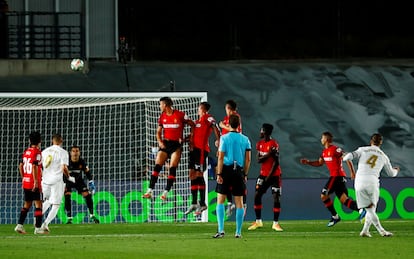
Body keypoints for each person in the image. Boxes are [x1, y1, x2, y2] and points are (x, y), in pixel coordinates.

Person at [300, 131, 364, 227]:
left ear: (326, 139)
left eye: (322, 138)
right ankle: (362, 210)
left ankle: (335, 216)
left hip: (337, 176)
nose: (321, 140)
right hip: (337, 178)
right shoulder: (324, 152)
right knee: (344, 200)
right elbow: (320, 163)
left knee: (323, 195)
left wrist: (352, 172)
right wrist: (308, 162)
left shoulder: (335, 149)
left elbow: (347, 158)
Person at [343, 133, 399, 237]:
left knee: (370, 209)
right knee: (371, 209)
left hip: (359, 182)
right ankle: (381, 231)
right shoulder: (383, 156)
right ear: (381, 142)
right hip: (372, 182)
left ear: (371, 141)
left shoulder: (362, 149)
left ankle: (365, 231)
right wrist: (396, 170)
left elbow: (347, 158)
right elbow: (391, 174)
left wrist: (346, 158)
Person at [143, 97, 195, 200]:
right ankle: (150, 191)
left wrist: (190, 138)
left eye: (160, 104)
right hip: (166, 144)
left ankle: (166, 192)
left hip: (177, 145)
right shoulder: (162, 116)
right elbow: (158, 132)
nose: (159, 106)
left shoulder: (180, 115)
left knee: (172, 168)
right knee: (157, 166)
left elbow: (193, 125)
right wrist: (160, 142)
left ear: (165, 105)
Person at [213, 114, 251, 238]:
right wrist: (244, 173)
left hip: (226, 170)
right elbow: (248, 160)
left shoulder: (224, 138)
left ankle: (221, 230)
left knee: (220, 200)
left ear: (229, 124)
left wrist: (219, 173)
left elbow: (221, 157)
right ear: (239, 125)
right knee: (239, 202)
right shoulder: (245, 139)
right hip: (238, 171)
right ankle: (238, 232)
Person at [184, 102, 220, 215]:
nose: (198, 110)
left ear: (203, 109)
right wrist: (186, 139)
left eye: (199, 108)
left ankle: (203, 203)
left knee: (199, 174)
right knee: (192, 174)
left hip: (201, 150)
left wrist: (219, 141)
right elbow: (195, 135)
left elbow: (215, 126)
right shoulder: (198, 122)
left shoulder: (207, 117)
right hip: (193, 151)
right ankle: (194, 203)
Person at [248, 123, 283, 232]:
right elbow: (259, 160)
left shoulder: (274, 144)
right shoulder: (260, 144)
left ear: (266, 132)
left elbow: (276, 163)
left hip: (275, 175)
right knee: (257, 196)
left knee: (276, 198)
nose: (260, 132)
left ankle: (275, 224)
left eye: (261, 130)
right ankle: (258, 221)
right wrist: (268, 154)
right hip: (263, 174)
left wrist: (269, 177)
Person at [14, 131, 47, 234]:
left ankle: (19, 225)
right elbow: (34, 166)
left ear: (29, 141)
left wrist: (24, 177)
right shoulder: (37, 152)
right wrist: (36, 182)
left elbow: (20, 165)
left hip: (26, 182)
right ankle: (37, 229)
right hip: (34, 182)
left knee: (27, 204)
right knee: (38, 204)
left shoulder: (26, 152)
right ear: (40, 141)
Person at [41, 134, 74, 232]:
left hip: (45, 180)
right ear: (61, 141)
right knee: (56, 205)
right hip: (56, 181)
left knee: (47, 200)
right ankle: (45, 224)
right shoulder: (63, 152)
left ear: (52, 141)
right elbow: (64, 168)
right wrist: (69, 177)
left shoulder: (44, 151)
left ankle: (37, 218)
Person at [218, 99, 245, 217]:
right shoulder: (226, 118)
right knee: (224, 175)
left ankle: (238, 203)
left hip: (232, 152)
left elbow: (235, 131)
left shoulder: (235, 118)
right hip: (226, 148)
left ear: (229, 108)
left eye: (226, 108)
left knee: (228, 176)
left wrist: (223, 125)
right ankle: (230, 203)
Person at [64, 145, 99, 224]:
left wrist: (91, 182)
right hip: (68, 181)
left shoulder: (82, 161)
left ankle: (92, 215)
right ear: (70, 153)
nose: (75, 153)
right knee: (67, 194)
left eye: (77, 151)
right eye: (73, 151)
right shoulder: (66, 161)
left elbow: (87, 172)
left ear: (79, 153)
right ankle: (69, 218)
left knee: (87, 194)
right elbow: (62, 171)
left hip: (78, 181)